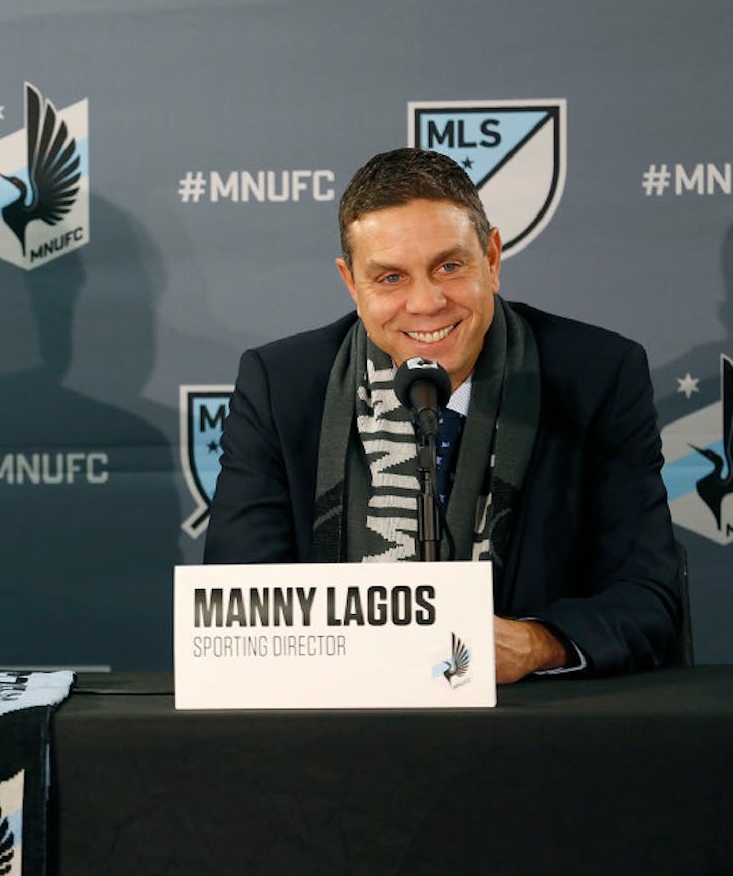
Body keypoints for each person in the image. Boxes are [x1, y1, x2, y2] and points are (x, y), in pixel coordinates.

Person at [204, 147, 678, 682]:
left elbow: (649, 599)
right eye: (390, 278)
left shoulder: (595, 374)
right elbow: (236, 604)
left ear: (492, 259)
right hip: (337, 730)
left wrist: (539, 643)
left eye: (449, 267)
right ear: (350, 283)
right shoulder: (283, 385)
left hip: (535, 732)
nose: (426, 303)